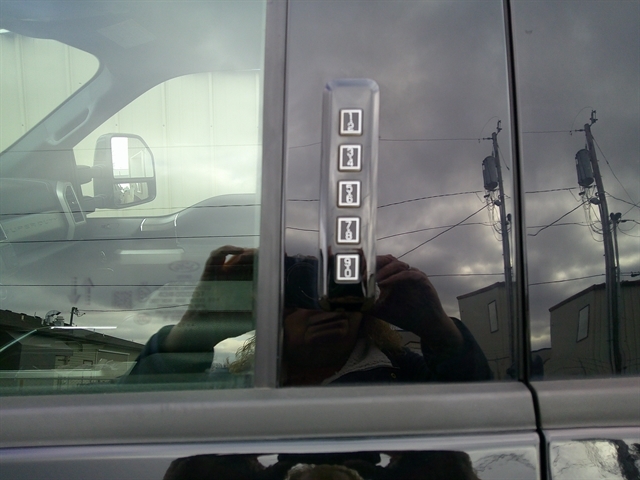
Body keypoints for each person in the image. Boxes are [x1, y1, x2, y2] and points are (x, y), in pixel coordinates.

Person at [125, 246, 491, 384]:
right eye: (300, 289)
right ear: (272, 308)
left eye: (340, 288)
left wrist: (438, 330)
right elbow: (141, 418)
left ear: (367, 305)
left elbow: (477, 415)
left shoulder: (409, 377)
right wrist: (197, 331)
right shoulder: (235, 385)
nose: (322, 303)